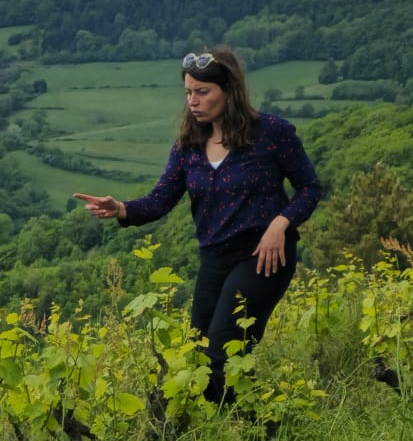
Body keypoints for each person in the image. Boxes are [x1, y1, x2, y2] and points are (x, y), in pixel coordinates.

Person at [75, 47, 322, 405]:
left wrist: (280, 224)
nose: (193, 100)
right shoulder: (188, 146)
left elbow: (310, 188)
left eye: (202, 92)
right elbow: (160, 200)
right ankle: (250, 429)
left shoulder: (271, 133)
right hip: (214, 259)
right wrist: (122, 209)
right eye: (189, 92)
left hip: (264, 256)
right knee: (197, 355)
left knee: (223, 353)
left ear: (229, 90)